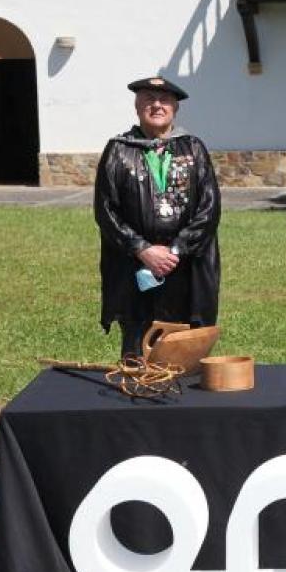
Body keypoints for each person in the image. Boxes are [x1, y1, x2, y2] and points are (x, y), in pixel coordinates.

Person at [94, 76, 221, 359]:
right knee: (137, 347)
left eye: (164, 100)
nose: (157, 105)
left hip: (185, 266)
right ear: (137, 106)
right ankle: (136, 380)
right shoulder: (118, 150)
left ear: (175, 108)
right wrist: (143, 249)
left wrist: (176, 250)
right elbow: (106, 210)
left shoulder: (193, 148)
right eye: (149, 99)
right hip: (134, 267)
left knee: (183, 349)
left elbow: (209, 208)